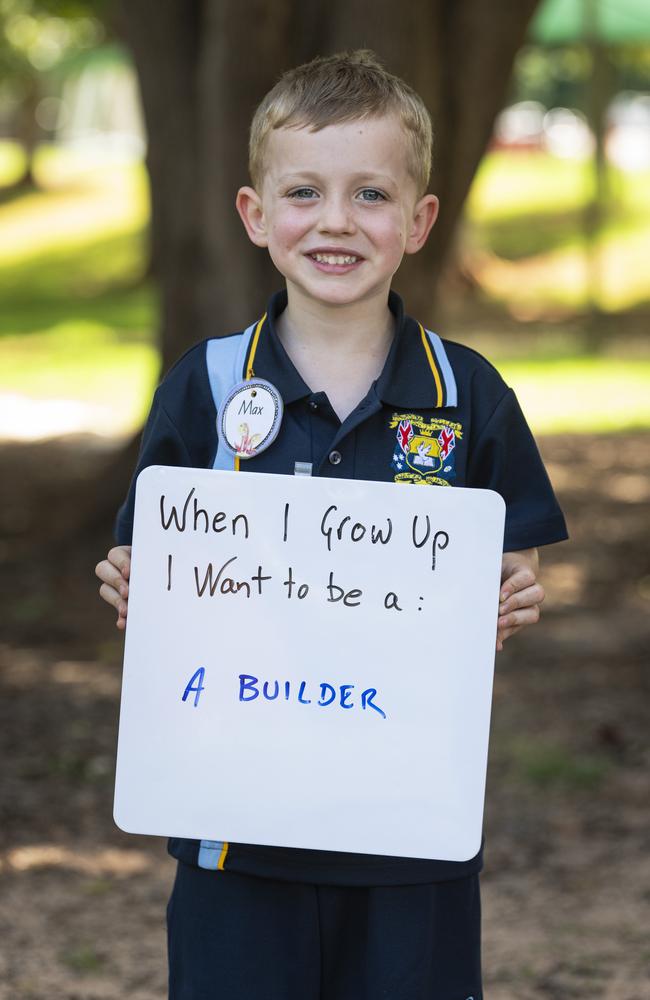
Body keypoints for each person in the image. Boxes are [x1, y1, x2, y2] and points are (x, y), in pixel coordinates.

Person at [96, 50, 567, 1000]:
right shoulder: (210, 383)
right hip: (235, 829)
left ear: (421, 220)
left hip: (408, 835)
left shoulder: (466, 393)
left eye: (372, 194)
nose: (337, 221)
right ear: (256, 215)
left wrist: (513, 590)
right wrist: (132, 584)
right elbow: (152, 553)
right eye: (304, 191)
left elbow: (502, 558)